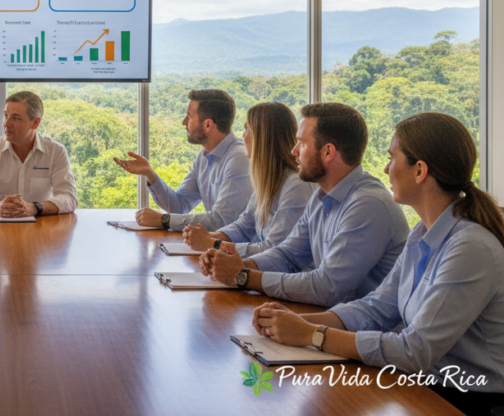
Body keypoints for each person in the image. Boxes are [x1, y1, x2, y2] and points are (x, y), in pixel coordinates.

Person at [252, 112, 504, 416]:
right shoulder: (423, 232)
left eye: (391, 158)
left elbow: (415, 351)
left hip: (468, 399)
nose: (385, 168)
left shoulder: (470, 248)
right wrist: (301, 322)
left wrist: (311, 335)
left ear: (420, 171)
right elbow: (377, 307)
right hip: (425, 385)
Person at [200, 102, 409, 306]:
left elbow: (327, 287)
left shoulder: (368, 205)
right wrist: (236, 266)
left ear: (328, 152)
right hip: (332, 319)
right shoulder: (321, 195)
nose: (294, 151)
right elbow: (288, 255)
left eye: (302, 143)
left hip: (358, 331)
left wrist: (243, 276)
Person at [182, 102, 314, 255]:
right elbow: (244, 226)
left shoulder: (296, 186)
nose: (243, 135)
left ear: (262, 137)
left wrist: (212, 243)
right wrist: (208, 237)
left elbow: (274, 250)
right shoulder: (268, 179)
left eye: (246, 129)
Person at [113, 89, 251, 230]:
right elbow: (179, 206)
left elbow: (221, 221)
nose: (183, 122)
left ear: (207, 125)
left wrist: (164, 220)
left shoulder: (240, 159)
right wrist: (150, 174)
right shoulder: (203, 158)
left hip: (243, 251)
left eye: (189, 117)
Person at [0, 90, 77, 217]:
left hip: (41, 227)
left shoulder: (56, 151)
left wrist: (34, 207)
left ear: (35, 123)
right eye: (6, 115)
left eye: (15, 118)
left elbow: (69, 197)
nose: (6, 124)